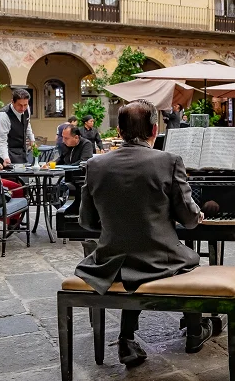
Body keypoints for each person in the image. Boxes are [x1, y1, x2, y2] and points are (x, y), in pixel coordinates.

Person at [74, 99, 211, 367]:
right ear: (154, 130)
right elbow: (190, 220)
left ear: (120, 131)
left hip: (111, 261)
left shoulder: (95, 165)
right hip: (160, 259)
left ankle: (127, 338)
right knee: (189, 259)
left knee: (131, 260)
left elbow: (87, 221)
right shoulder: (168, 161)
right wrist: (196, 214)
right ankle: (196, 330)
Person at [0, 88, 35, 165]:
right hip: (9, 153)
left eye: (25, 105)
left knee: (25, 175)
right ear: (12, 102)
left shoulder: (27, 109)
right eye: (20, 105)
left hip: (23, 152)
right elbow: (1, 140)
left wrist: (32, 140)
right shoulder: (4, 115)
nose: (23, 108)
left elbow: (27, 124)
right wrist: (5, 157)